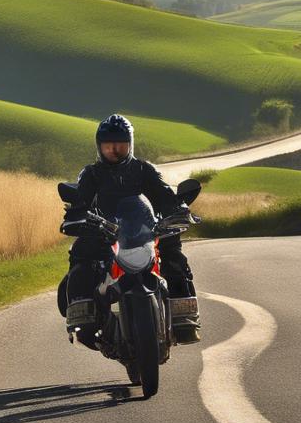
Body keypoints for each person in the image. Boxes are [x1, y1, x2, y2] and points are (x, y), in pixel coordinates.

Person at [60, 114, 201, 346]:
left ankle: (183, 316)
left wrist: (179, 209)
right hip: (105, 233)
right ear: (99, 147)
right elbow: (80, 202)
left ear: (130, 145)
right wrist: (76, 216)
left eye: (120, 146)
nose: (114, 151)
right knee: (81, 256)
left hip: (145, 230)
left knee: (174, 254)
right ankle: (83, 315)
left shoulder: (144, 169)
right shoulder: (91, 174)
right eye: (108, 147)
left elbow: (165, 195)